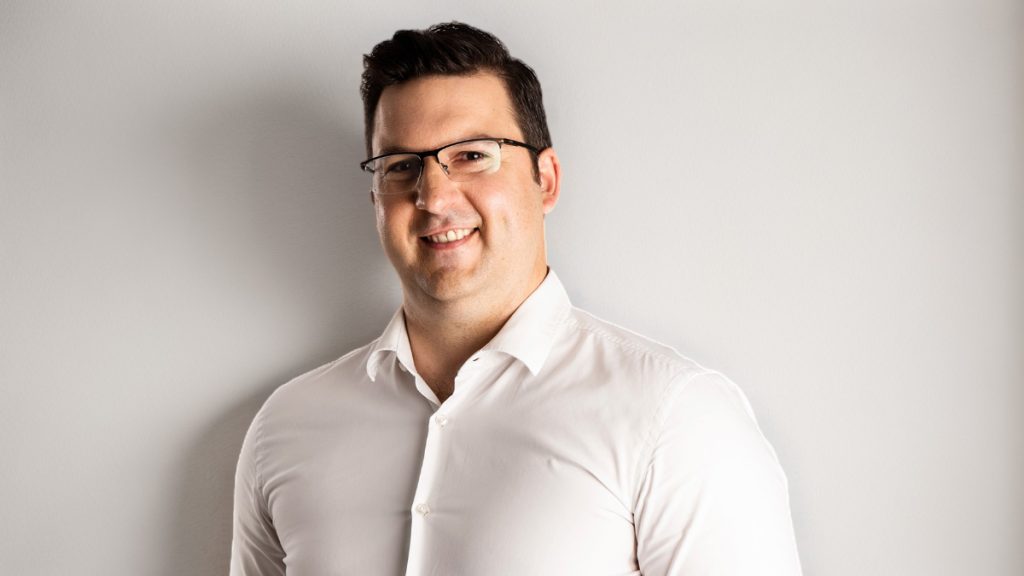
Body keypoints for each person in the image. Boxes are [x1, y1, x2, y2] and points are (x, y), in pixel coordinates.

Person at [231, 22, 803, 576]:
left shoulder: (673, 416)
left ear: (545, 179)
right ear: (376, 198)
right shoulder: (285, 427)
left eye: (472, 155)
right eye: (401, 166)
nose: (434, 197)